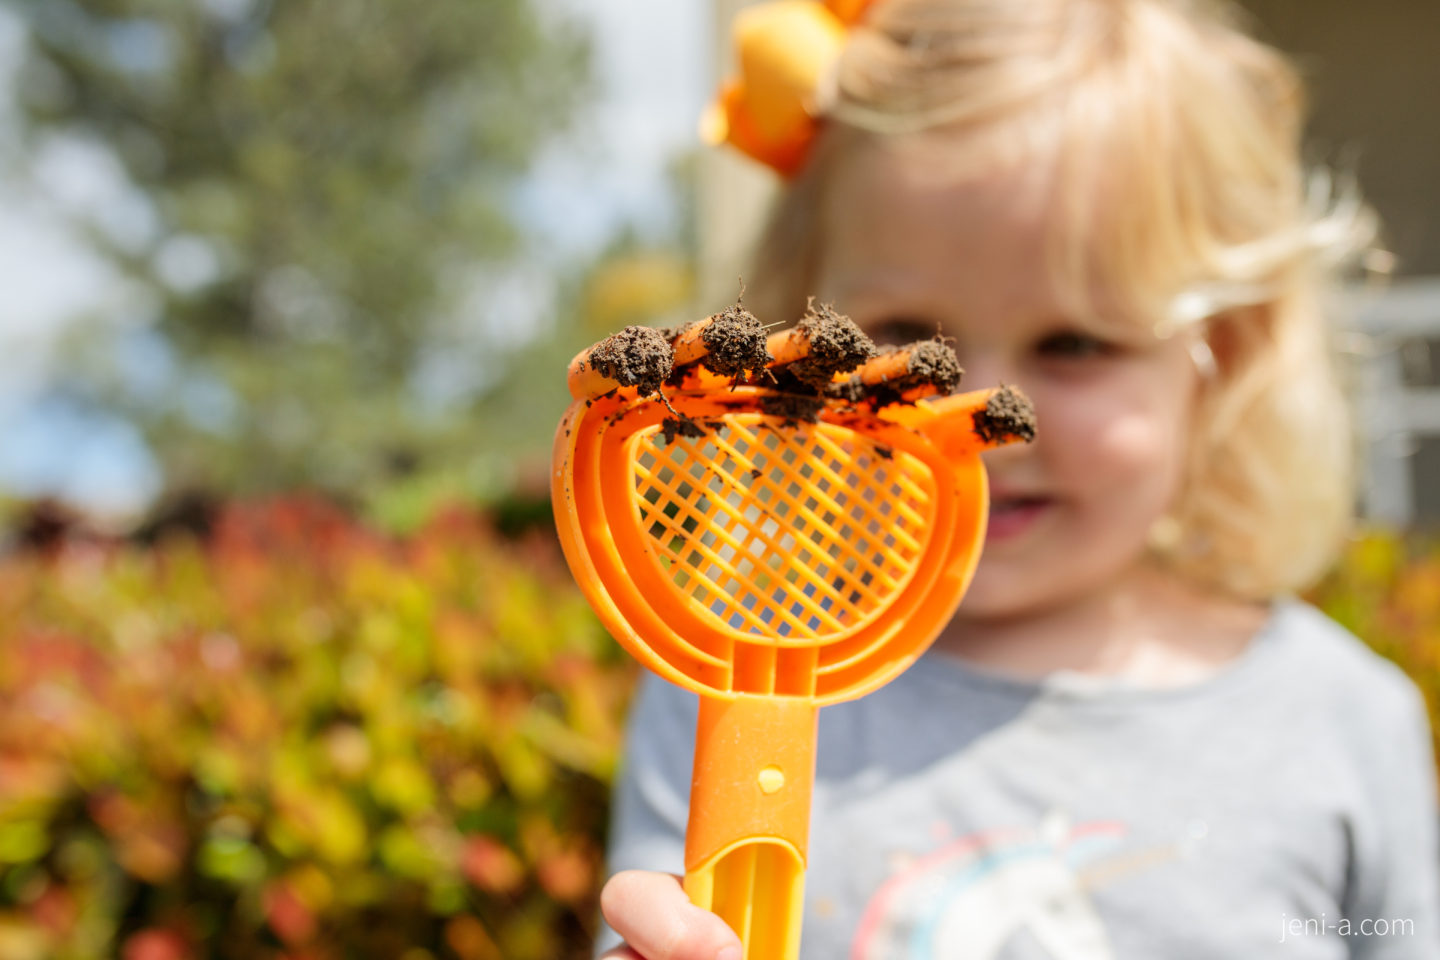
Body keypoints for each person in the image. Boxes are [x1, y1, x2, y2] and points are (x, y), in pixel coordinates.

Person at [595, 0, 1440, 957]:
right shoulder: (729, 687)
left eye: (1074, 343)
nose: (983, 428)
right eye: (906, 339)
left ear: (1222, 360)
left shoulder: (1344, 722)